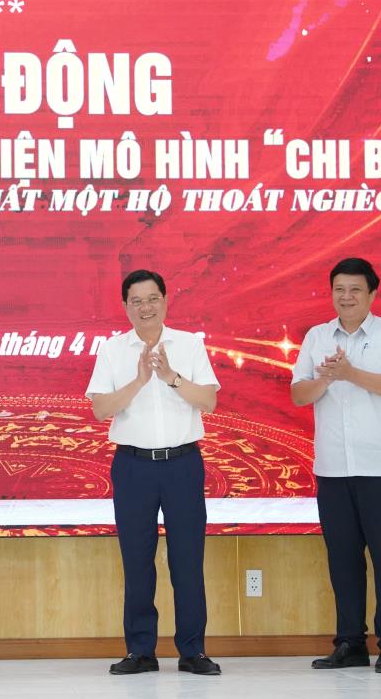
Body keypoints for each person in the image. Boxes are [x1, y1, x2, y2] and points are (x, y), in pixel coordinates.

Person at [86, 269, 223, 676]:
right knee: (137, 561)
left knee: (187, 561)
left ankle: (193, 651)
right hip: (133, 467)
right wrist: (141, 380)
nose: (145, 308)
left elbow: (209, 401)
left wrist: (170, 378)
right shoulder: (113, 350)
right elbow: (100, 409)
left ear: (165, 300)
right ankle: (140, 651)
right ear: (125, 306)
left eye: (152, 299)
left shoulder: (189, 344)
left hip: (182, 464)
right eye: (136, 301)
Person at [290, 258, 381, 674]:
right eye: (339, 289)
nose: (346, 297)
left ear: (372, 294)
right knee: (343, 560)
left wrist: (350, 373)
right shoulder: (316, 336)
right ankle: (350, 643)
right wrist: (328, 378)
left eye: (355, 290)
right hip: (333, 468)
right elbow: (299, 395)